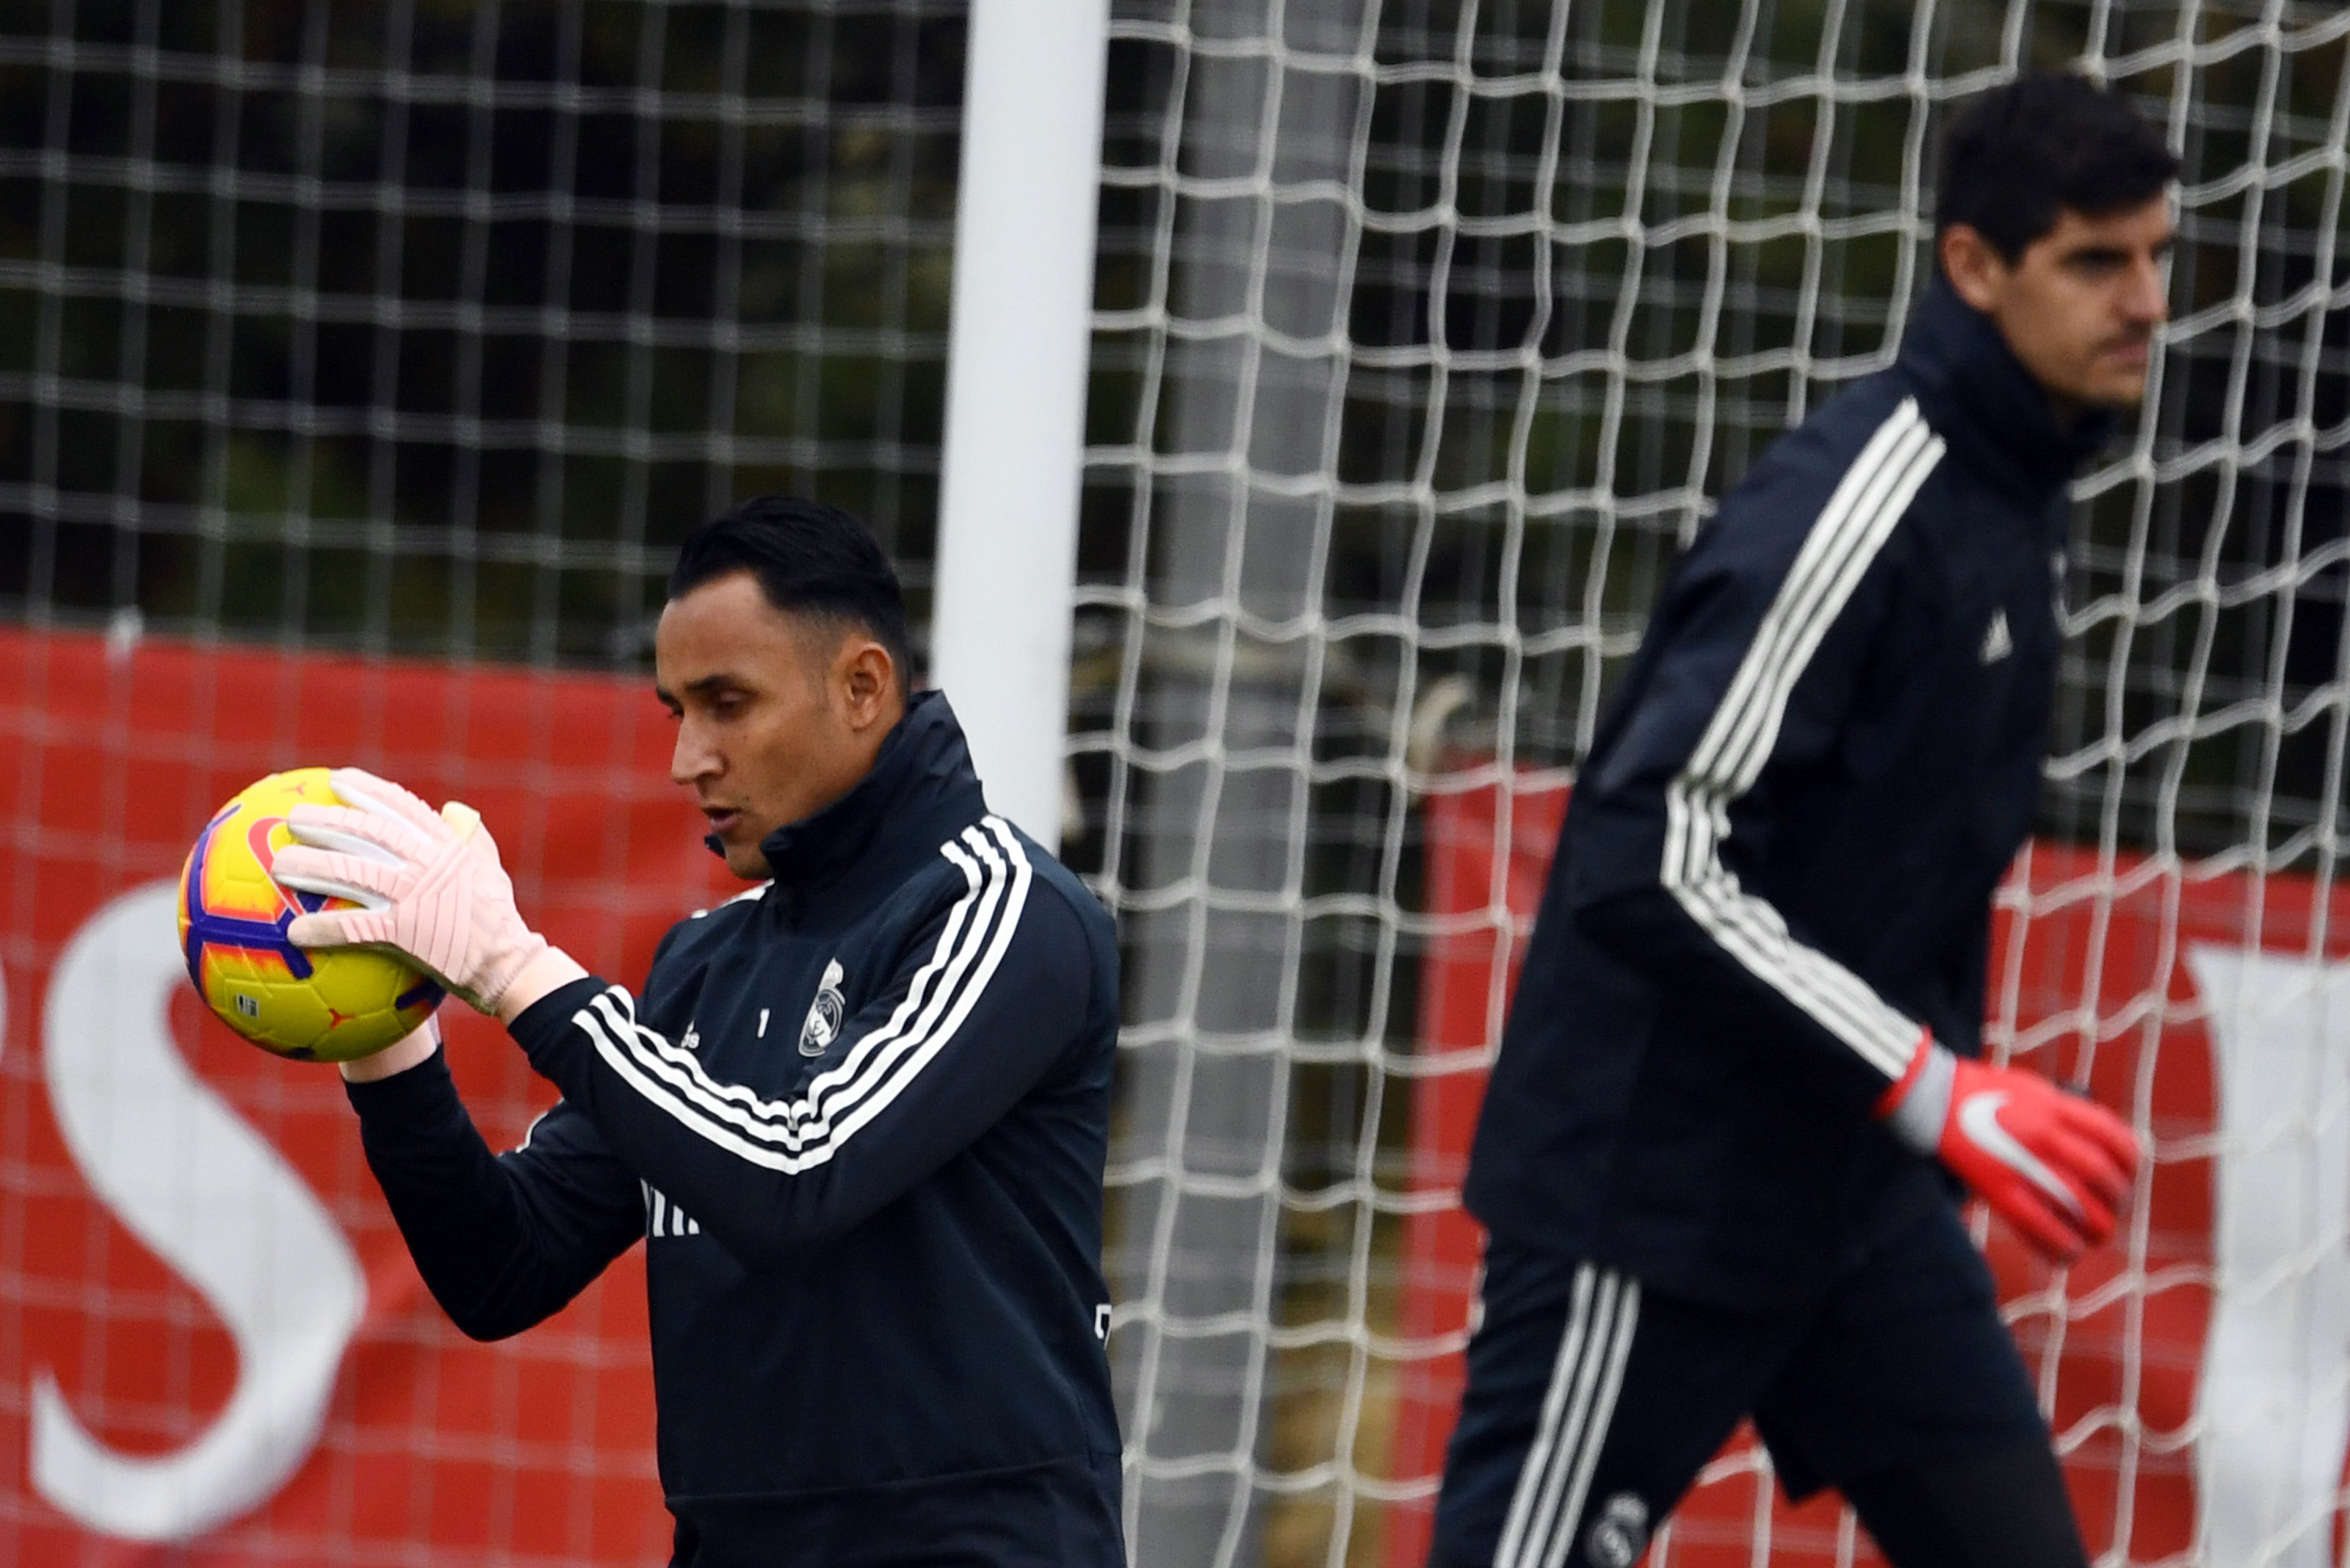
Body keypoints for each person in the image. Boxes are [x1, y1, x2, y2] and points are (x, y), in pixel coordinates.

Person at [1430, 75, 2173, 1568]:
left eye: (2159, 256)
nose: (2145, 301)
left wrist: (1914, 1101)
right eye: (2097, 261)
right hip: (1649, 1202)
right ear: (1972, 267)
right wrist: (1933, 1083)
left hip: (1849, 1207)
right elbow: (1649, 851)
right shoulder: (1860, 500)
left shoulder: (2015, 503)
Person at [270, 497, 1126, 1567]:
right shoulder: (706, 962)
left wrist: (514, 968)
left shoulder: (1005, 913)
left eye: (729, 704)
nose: (689, 759)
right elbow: (502, 1268)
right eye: (678, 710)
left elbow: (795, 1176)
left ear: (863, 687)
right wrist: (380, 1034)